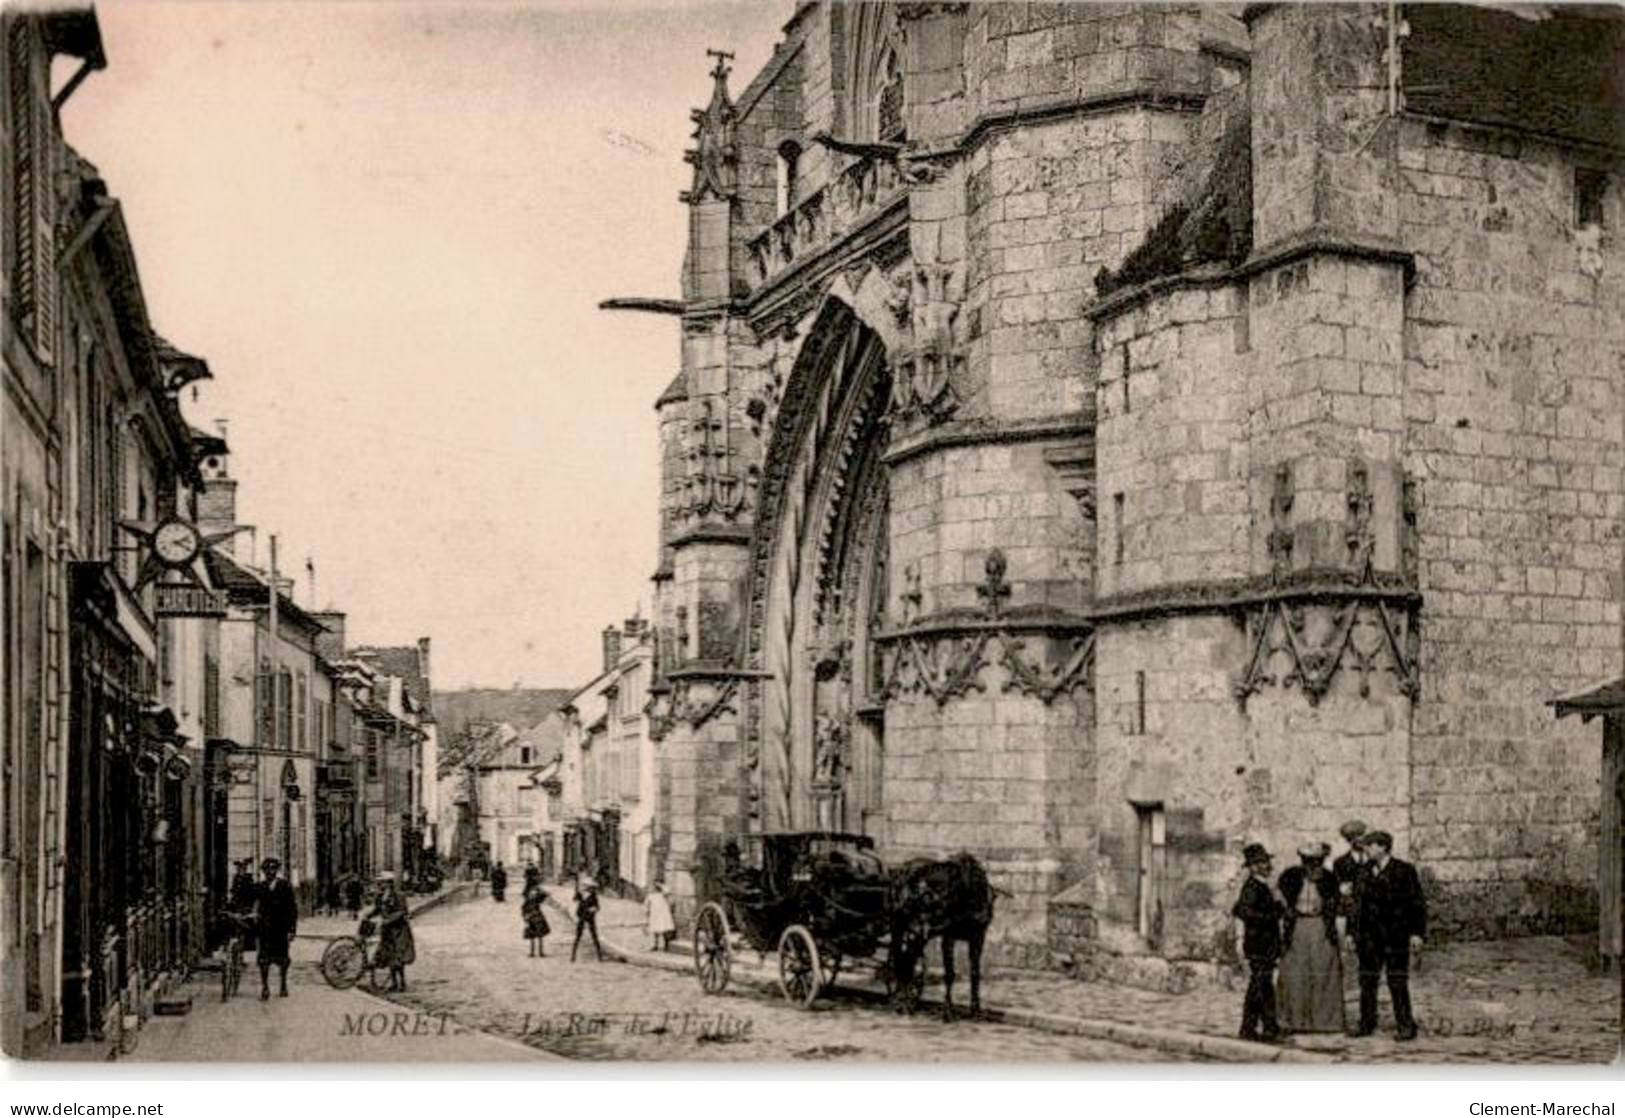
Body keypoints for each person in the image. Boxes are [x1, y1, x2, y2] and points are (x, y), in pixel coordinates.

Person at [1355, 830, 1426, 1041]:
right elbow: (1356, 906)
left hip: (1395, 936)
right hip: (1368, 938)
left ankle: (1406, 1025)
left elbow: (1417, 904)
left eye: (1370, 845)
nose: (1366, 850)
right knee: (1367, 981)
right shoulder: (1364, 871)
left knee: (1397, 981)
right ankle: (1366, 1023)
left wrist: (1416, 933)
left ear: (1383, 847)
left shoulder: (1404, 871)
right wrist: (1352, 932)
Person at [1276, 842, 1345, 1034]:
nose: (1313, 866)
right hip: (1297, 928)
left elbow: (1336, 905)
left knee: (1323, 972)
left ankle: (1324, 1022)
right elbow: (1279, 900)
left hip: (1321, 927)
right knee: (1295, 973)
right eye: (1309, 862)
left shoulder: (1330, 879)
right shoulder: (1290, 877)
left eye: (1317, 862)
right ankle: (1293, 1021)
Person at [1231, 842, 1284, 1043]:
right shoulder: (1253, 886)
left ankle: (1263, 1026)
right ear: (1252, 867)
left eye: (1266, 861)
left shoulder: (1262, 885)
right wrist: (1273, 913)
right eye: (1261, 862)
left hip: (1265, 944)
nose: (1266, 865)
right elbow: (1244, 911)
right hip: (1258, 944)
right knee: (1260, 986)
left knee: (1262, 985)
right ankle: (1256, 1027)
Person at [254, 857, 298, 1000]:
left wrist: (292, 930)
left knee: (283, 959)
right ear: (264, 871)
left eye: (273, 869)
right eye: (267, 870)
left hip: (280, 929)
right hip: (265, 929)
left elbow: (292, 909)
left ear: (277, 871)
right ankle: (265, 987)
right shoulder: (260, 887)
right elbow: (255, 904)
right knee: (263, 960)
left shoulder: (285, 886)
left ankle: (283, 984)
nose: (270, 872)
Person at [368, 872, 416, 992]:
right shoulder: (380, 896)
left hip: (399, 931)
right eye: (380, 882)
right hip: (388, 932)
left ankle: (402, 983)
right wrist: (367, 916)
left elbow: (402, 912)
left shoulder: (399, 896)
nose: (380, 885)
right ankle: (394, 983)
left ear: (389, 883)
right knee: (389, 958)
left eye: (382, 882)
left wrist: (387, 920)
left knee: (399, 959)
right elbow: (377, 909)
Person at [1332, 820, 1369, 954]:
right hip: (1350, 914)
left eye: (1362, 836)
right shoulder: (1340, 863)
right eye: (1357, 837)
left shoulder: (1372, 861)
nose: (1361, 840)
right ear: (1350, 840)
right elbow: (1337, 890)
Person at [571, 876, 603, 963]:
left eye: (588, 887)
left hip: (590, 917)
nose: (587, 888)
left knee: (594, 935)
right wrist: (577, 891)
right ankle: (573, 955)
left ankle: (600, 955)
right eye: (586, 886)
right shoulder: (581, 894)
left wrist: (593, 909)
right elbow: (574, 899)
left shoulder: (593, 896)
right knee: (578, 935)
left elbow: (597, 907)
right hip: (581, 916)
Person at [645, 881, 676, 952]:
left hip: (663, 913)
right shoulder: (650, 896)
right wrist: (647, 913)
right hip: (655, 914)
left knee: (665, 929)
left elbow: (668, 891)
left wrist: (660, 885)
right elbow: (647, 905)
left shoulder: (663, 894)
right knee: (655, 930)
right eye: (652, 888)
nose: (653, 889)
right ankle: (656, 944)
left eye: (654, 888)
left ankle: (666, 945)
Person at [522, 884, 551, 958]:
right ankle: (532, 952)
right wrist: (525, 919)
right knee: (532, 937)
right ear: (528, 895)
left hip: (538, 919)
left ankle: (541, 952)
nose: (532, 895)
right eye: (531, 894)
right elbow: (523, 911)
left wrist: (539, 889)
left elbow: (546, 894)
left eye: (534, 894)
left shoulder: (537, 900)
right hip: (531, 920)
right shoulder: (526, 902)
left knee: (540, 936)